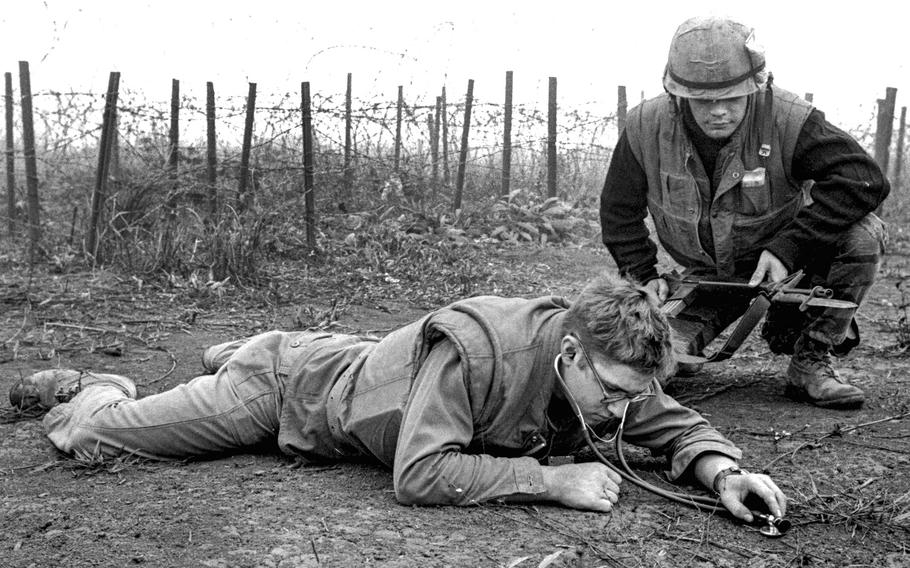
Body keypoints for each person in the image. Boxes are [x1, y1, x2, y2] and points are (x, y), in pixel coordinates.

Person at [9, 274, 785, 522]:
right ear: (572, 351)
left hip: (347, 363)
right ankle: (93, 387)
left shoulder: (606, 371)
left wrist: (723, 471)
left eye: (633, 394)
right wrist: (548, 480)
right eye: (615, 393)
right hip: (282, 395)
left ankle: (231, 348)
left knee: (330, 358)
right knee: (97, 443)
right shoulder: (484, 352)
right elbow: (419, 474)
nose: (624, 411)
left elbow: (671, 417)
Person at [600, 16, 889, 409]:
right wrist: (645, 277)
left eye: (732, 98)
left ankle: (809, 360)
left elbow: (863, 180)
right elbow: (618, 211)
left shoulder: (788, 118)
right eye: (703, 101)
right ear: (677, 94)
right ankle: (686, 349)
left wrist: (789, 246)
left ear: (756, 87)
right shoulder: (645, 126)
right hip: (707, 278)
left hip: (787, 272)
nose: (718, 111)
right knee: (655, 366)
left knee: (863, 234)